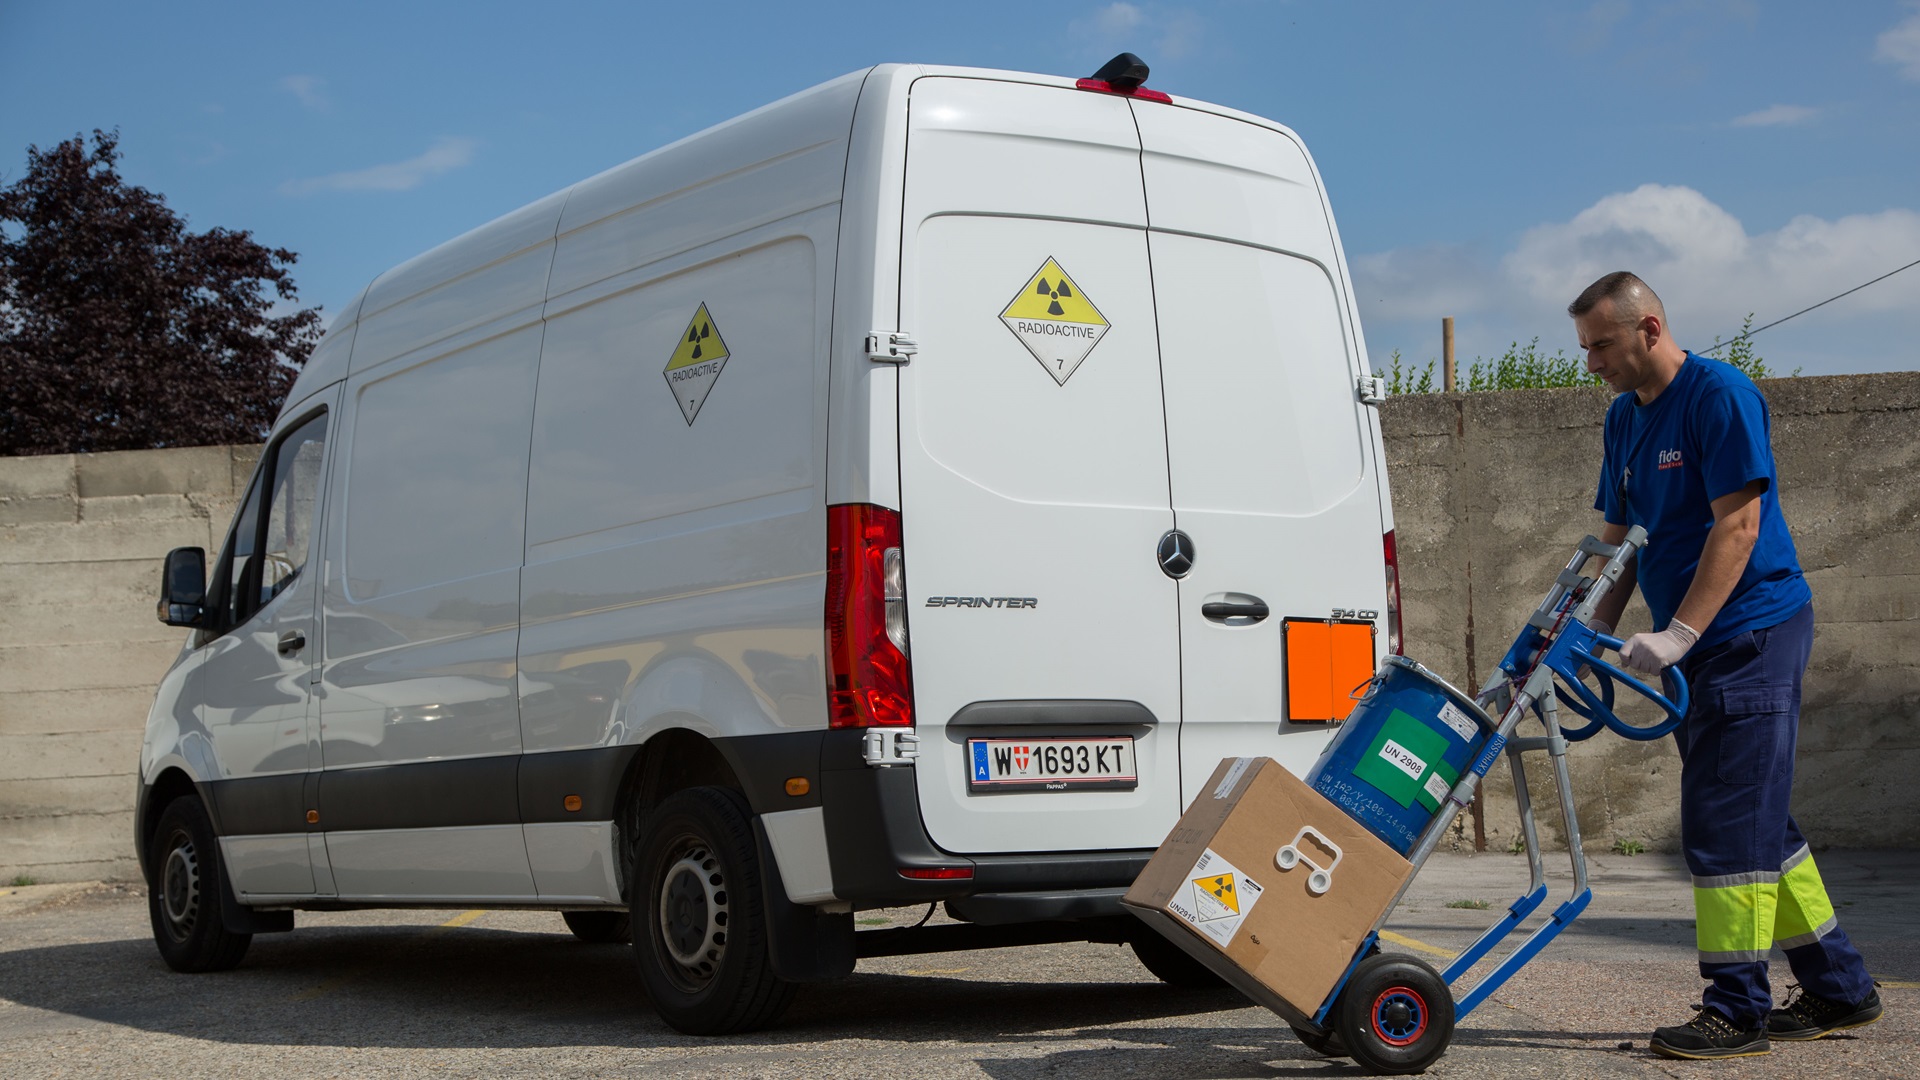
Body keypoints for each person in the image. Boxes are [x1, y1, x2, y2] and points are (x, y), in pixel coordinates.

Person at [1570, 271, 1880, 1061]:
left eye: (1602, 344)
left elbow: (1737, 527)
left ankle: (1735, 1009)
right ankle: (1840, 989)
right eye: (1586, 347)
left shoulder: (1719, 395)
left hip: (1750, 633)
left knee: (1722, 825)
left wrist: (1675, 635)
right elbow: (1617, 538)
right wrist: (1588, 625)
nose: (1592, 361)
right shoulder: (1622, 420)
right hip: (1697, 644)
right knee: (1761, 825)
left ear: (1649, 328)